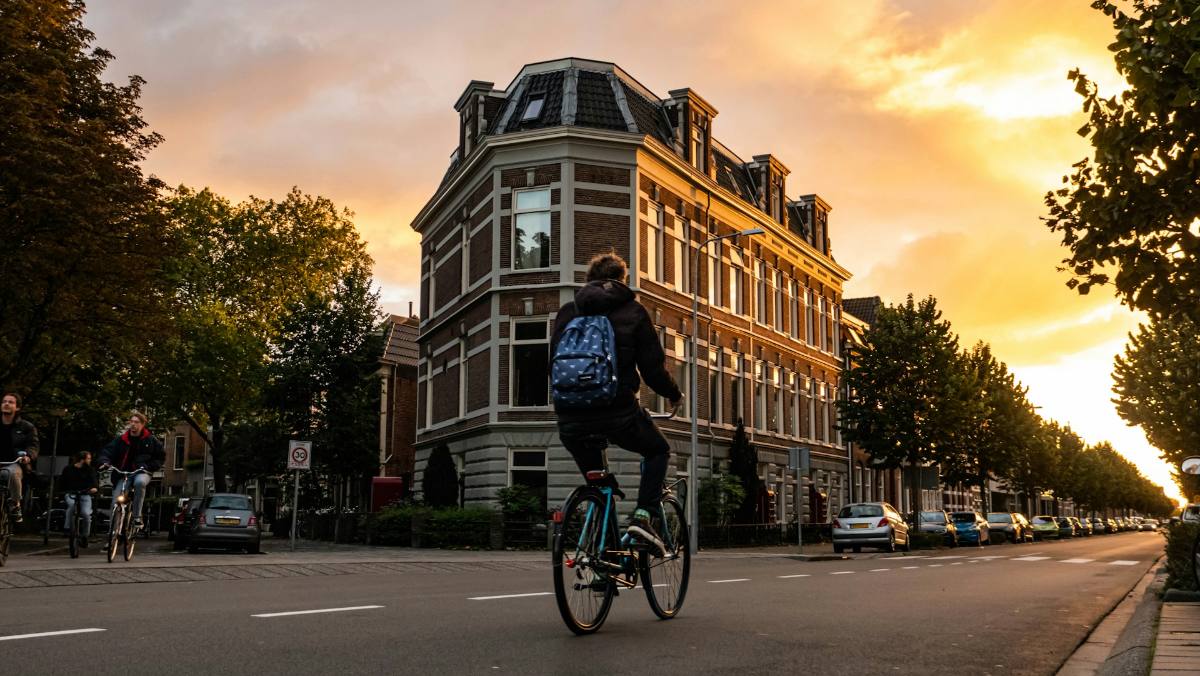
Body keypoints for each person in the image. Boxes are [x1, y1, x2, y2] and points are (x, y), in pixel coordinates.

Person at [551, 252, 682, 555]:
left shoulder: (568, 312)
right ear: (622, 279)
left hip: (570, 419)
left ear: (589, 279)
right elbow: (652, 370)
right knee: (658, 449)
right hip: (617, 413)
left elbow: (553, 365)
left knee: (600, 486)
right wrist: (674, 394)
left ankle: (602, 562)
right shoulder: (633, 312)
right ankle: (643, 517)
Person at [99, 412, 164, 527]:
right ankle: (112, 536)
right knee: (115, 502)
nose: (133, 424)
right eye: (131, 422)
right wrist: (105, 462)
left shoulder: (150, 440)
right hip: (123, 473)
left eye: (136, 422)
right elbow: (107, 451)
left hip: (142, 471)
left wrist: (149, 466)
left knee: (140, 483)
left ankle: (137, 517)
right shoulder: (121, 439)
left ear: (143, 424)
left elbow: (160, 457)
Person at [0, 392, 40, 523]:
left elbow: (33, 445)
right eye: (4, 401)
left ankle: (15, 505)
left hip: (14, 462)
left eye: (10, 402)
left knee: (12, 473)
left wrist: (28, 456)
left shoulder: (26, 427)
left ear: (17, 408)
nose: (6, 403)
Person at [60, 450, 99, 546]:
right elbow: (61, 482)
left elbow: (94, 482)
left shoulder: (90, 470)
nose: (90, 461)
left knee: (86, 513)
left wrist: (94, 488)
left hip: (85, 494)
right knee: (72, 505)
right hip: (71, 494)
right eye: (88, 459)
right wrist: (62, 491)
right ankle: (67, 529)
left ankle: (85, 535)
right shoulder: (68, 469)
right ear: (82, 460)